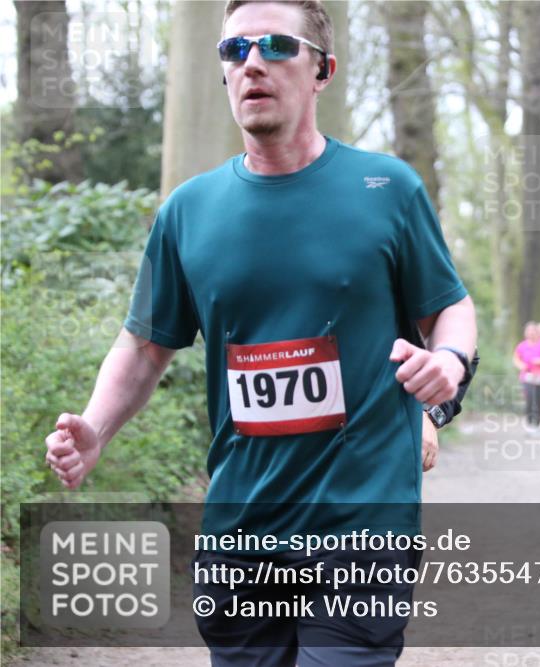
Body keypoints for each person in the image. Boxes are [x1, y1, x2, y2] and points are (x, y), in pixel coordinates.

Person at [43, 2, 477, 665]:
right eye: (234, 50)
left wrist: (447, 363)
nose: (252, 62)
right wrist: (95, 429)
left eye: (276, 46)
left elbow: (451, 306)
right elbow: (144, 344)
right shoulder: (189, 211)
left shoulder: (387, 188)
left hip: (363, 526)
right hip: (241, 530)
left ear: (321, 71)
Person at [512, 322, 540, 429]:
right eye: (528, 331)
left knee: (539, 401)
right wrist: (521, 365)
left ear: (537, 332)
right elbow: (516, 359)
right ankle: (530, 422)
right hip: (527, 377)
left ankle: (537, 424)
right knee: (529, 399)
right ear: (525, 333)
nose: (531, 333)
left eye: (533, 331)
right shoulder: (522, 346)